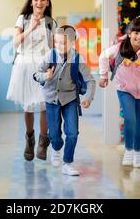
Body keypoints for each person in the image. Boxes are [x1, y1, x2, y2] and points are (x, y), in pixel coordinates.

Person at [98, 17, 140, 168]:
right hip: (124, 89)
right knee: (130, 118)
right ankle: (128, 150)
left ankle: (137, 152)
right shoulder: (119, 48)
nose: (139, 37)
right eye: (136, 33)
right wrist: (103, 76)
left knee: (139, 122)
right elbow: (103, 56)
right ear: (129, 33)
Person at [34, 25, 95, 176]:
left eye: (64, 43)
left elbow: (91, 80)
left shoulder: (78, 59)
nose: (60, 46)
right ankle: (56, 148)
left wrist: (88, 98)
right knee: (54, 135)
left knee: (72, 133)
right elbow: (36, 74)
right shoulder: (50, 56)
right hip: (52, 99)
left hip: (70, 99)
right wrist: (45, 76)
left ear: (73, 42)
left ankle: (68, 163)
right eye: (57, 42)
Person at [6, 0, 56, 161]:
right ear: (31, 2)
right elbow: (15, 43)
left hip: (43, 64)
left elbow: (53, 47)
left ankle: (43, 142)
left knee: (44, 104)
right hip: (25, 64)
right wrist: (31, 28)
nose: (39, 3)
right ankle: (30, 139)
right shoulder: (23, 19)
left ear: (47, 2)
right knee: (28, 106)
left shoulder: (50, 22)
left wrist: (54, 65)